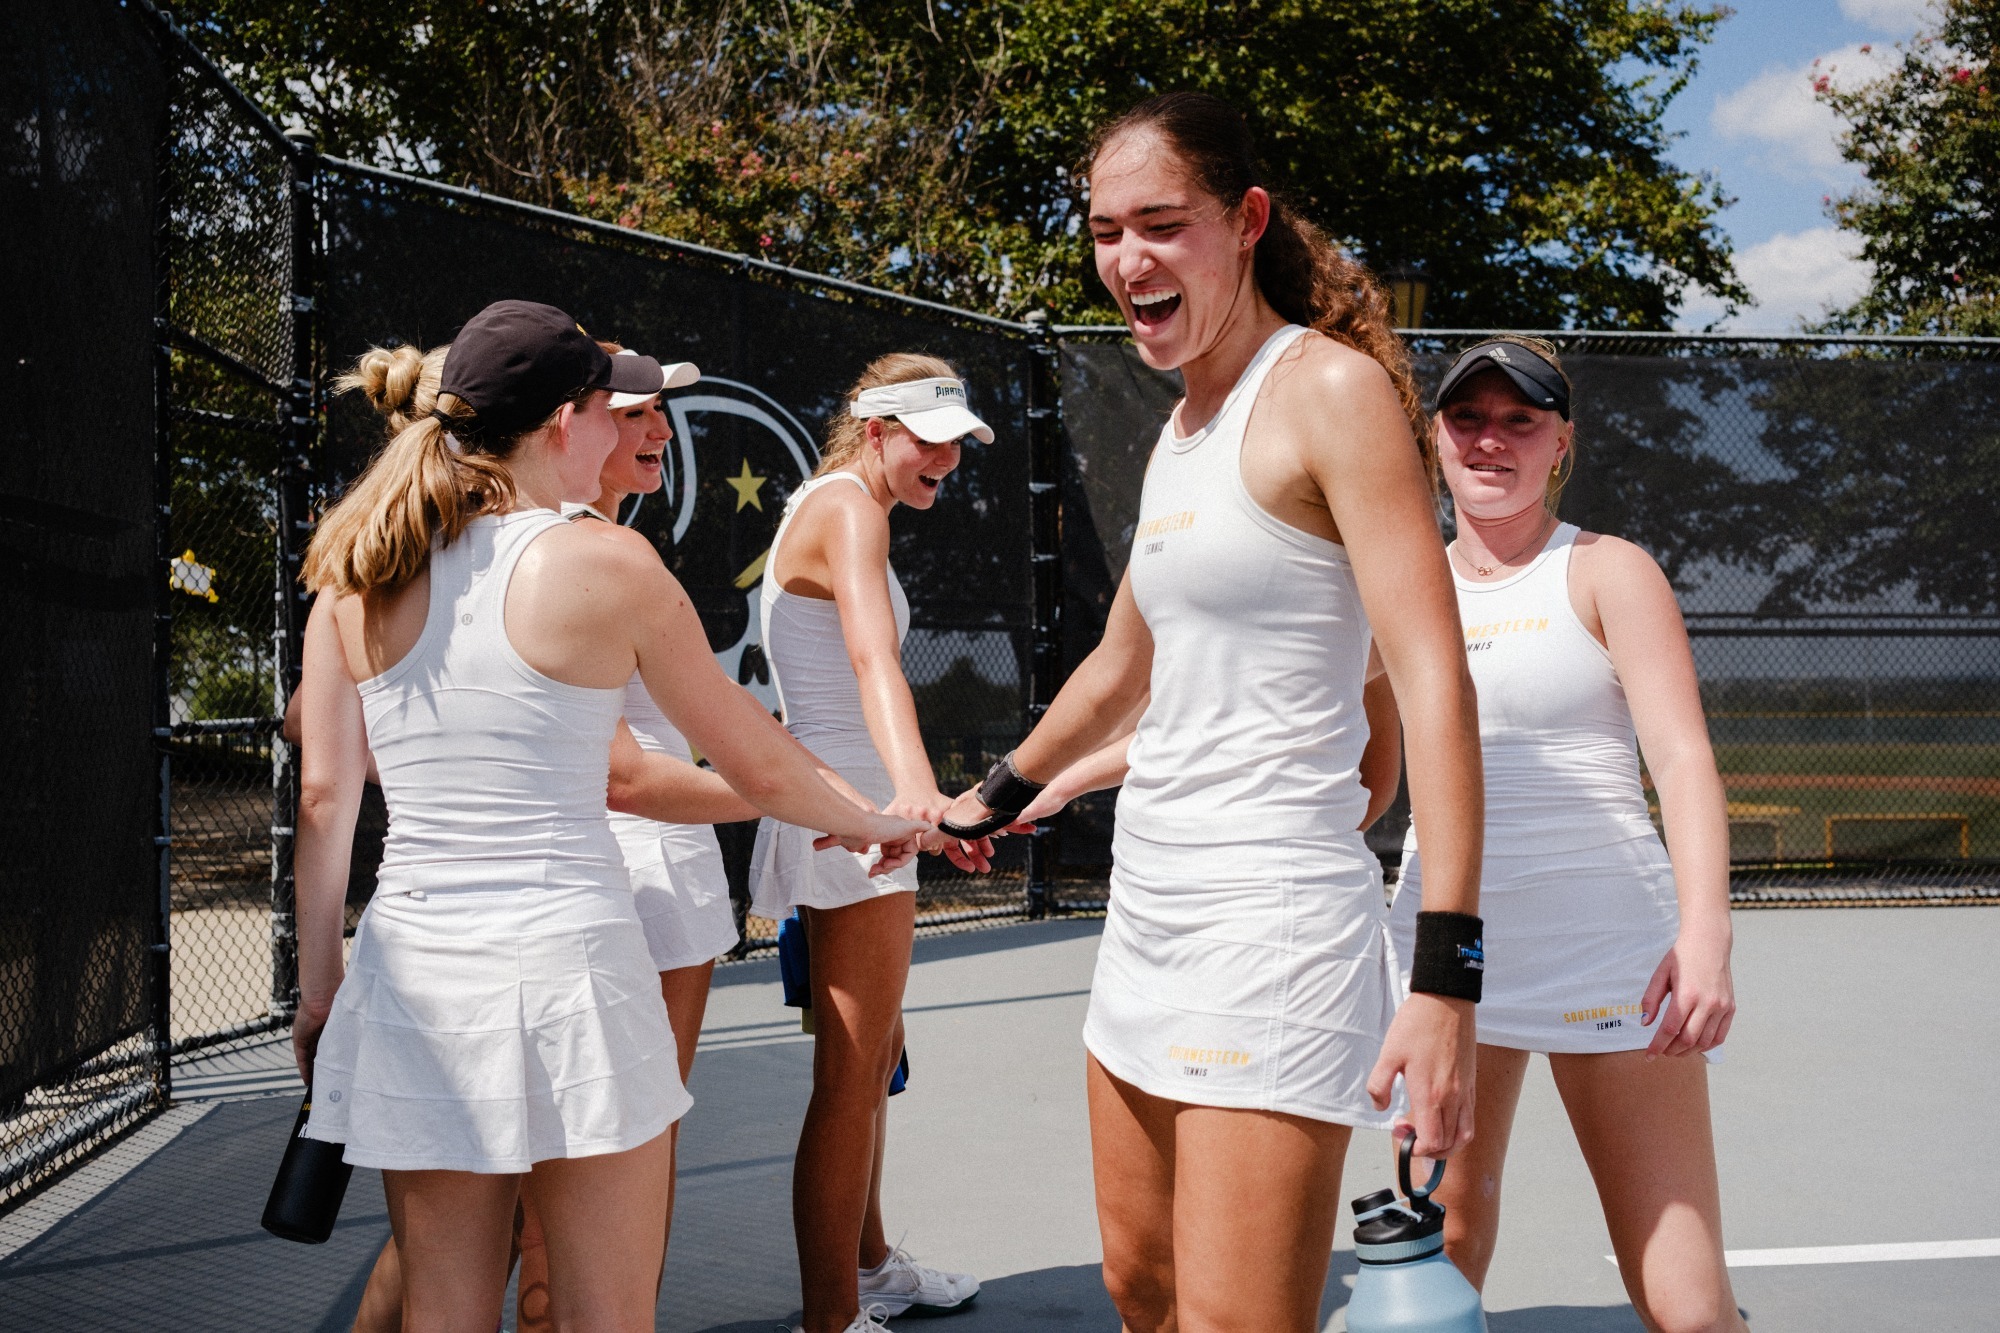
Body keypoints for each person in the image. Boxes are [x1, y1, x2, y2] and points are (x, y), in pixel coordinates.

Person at [941, 92, 1486, 1333]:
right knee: (1143, 1290)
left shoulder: (1331, 393)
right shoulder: (1180, 429)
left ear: (1243, 222)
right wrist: (996, 794)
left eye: (1159, 224)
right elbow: (1118, 665)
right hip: (1147, 914)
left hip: (1274, 926)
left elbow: (1435, 681)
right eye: (1101, 232)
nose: (1126, 259)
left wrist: (1446, 978)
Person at [292, 300, 925, 1333]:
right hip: (569, 980)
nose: (641, 425)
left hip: (408, 981)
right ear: (562, 424)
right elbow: (759, 761)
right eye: (611, 404)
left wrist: (320, 999)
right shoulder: (604, 564)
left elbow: (325, 799)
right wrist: (891, 820)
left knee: (442, 1307)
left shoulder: (352, 577)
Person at [1384, 336, 1745, 1333]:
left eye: (1518, 420)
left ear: (1559, 445)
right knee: (1434, 1269)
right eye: (1466, 418)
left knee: (1684, 1304)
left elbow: (1680, 761)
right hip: (1447, 964)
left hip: (1610, 960)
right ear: (1432, 438)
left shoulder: (1606, 571)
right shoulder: (1395, 583)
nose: (1489, 440)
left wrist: (1704, 933)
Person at [748, 352, 997, 1333]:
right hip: (843, 821)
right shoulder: (846, 507)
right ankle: (830, 1315)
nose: (947, 458)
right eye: (928, 439)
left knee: (874, 1056)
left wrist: (910, 803)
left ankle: (870, 1266)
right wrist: (914, 797)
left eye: (957, 442)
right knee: (850, 1082)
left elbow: (867, 672)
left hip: (855, 815)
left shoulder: (849, 511)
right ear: (878, 431)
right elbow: (867, 660)